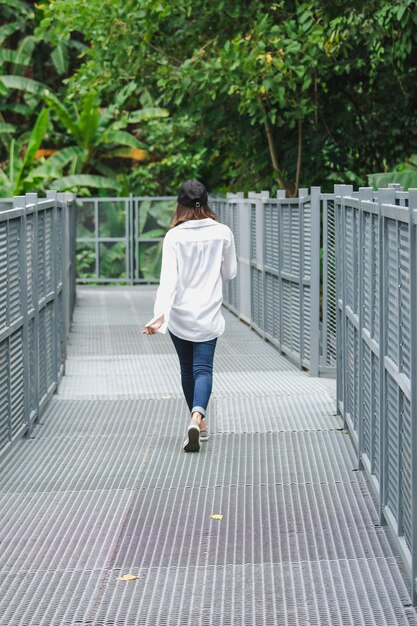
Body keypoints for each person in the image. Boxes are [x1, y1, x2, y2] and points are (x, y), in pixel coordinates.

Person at [143, 180, 237, 452]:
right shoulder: (223, 232)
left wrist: (158, 317)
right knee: (203, 369)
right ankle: (198, 418)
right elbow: (230, 272)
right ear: (205, 202)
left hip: (180, 316)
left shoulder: (174, 236)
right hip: (208, 313)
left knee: (187, 370)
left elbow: (168, 282)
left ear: (180, 207)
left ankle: (198, 423)